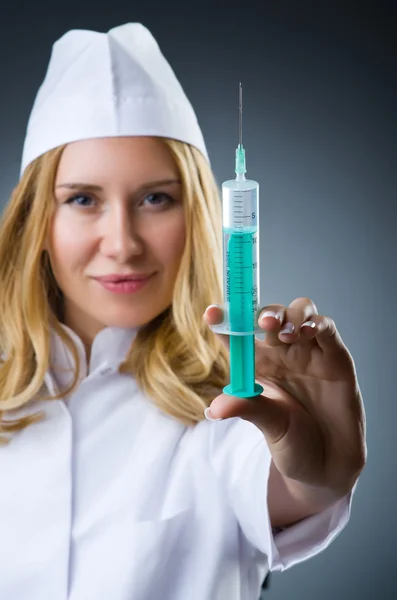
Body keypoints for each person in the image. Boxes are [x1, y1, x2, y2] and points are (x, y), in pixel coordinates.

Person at [0, 22, 366, 600]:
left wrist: (316, 476)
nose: (122, 243)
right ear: (37, 222)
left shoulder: (229, 410)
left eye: (155, 198)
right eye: (83, 199)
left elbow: (279, 484)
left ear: (199, 214)